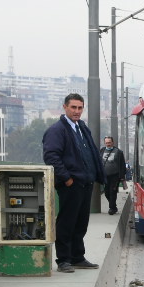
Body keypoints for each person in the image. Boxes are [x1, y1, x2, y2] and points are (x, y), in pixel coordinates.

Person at [41, 93, 104, 273]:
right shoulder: (57, 130)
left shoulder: (81, 127)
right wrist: (67, 179)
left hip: (85, 183)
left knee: (81, 222)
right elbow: (51, 156)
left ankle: (77, 257)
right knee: (67, 222)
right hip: (71, 184)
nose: (77, 111)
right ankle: (63, 260)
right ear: (65, 107)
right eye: (73, 107)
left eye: (80, 108)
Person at [100, 135, 127, 215]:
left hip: (115, 176)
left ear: (112, 142)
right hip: (105, 176)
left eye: (109, 142)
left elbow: (122, 165)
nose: (108, 144)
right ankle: (114, 206)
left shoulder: (118, 152)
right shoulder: (102, 150)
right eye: (106, 143)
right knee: (106, 192)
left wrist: (122, 176)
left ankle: (112, 208)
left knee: (113, 192)